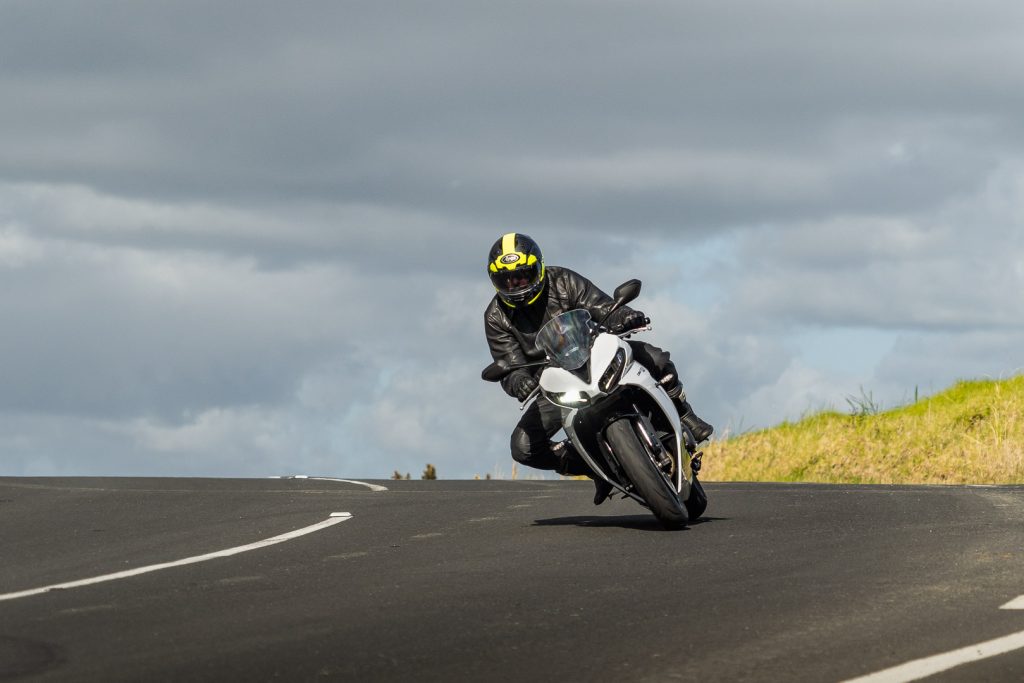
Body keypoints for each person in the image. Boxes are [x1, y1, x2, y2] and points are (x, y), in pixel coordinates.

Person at [483, 232, 713, 504]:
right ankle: (595, 469)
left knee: (656, 358)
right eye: (506, 279)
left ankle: (685, 414)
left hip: (596, 356)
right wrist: (519, 380)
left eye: (522, 275)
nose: (516, 284)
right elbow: (508, 365)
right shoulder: (496, 317)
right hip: (556, 385)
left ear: (538, 268)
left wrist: (625, 316)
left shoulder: (563, 281)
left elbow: (601, 305)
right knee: (523, 447)